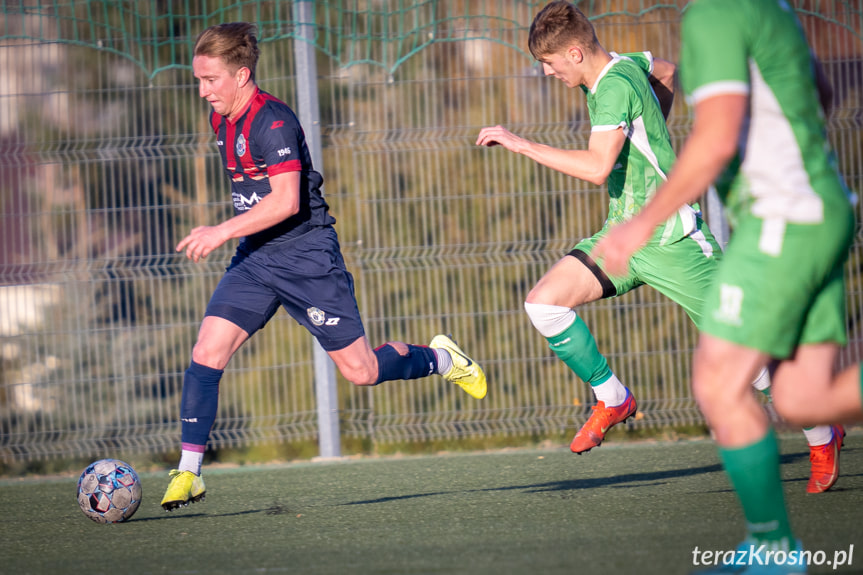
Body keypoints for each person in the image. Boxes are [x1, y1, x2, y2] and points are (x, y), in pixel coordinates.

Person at [475, 0, 843, 494]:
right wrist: (654, 132)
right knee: (544, 302)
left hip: (674, 239)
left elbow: (596, 167)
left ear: (577, 53)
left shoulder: (612, 90)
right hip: (623, 232)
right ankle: (613, 398)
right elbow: (667, 71)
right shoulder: (627, 64)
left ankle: (823, 434)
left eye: (550, 62)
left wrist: (521, 144)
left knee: (745, 360)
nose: (546, 71)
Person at [160, 22, 487, 511]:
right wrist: (237, 235)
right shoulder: (221, 119)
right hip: (255, 260)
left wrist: (220, 230)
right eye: (199, 81)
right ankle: (189, 473)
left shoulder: (273, 122)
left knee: (361, 371)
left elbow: (288, 202)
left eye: (211, 80)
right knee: (207, 351)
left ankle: (441, 359)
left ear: (242, 74)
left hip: (307, 258)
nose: (203, 91)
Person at [592, 0, 862, 570]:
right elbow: (819, 92)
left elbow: (712, 142)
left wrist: (642, 222)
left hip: (783, 220)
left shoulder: (713, 15)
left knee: (719, 381)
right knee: (800, 398)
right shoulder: (774, 9)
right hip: (819, 208)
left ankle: (772, 547)